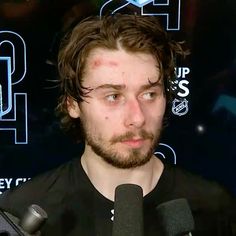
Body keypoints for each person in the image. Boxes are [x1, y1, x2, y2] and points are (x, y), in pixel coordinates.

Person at [0, 14, 235, 235]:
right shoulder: (21, 212)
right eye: (113, 96)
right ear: (73, 104)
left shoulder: (214, 208)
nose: (137, 117)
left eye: (149, 94)